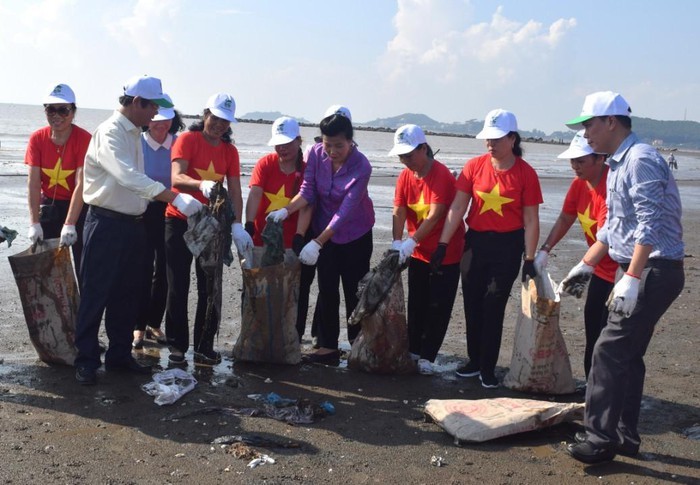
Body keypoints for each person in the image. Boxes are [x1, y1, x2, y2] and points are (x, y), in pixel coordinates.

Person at [561, 91, 685, 464]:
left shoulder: (641, 159)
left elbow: (650, 223)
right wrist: (585, 264)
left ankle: (599, 440)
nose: (586, 134)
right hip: (638, 266)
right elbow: (613, 228)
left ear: (611, 121)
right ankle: (624, 436)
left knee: (608, 349)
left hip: (654, 269)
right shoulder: (618, 163)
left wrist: (631, 277)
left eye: (589, 125)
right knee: (627, 354)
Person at [74, 75, 203, 386]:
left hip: (133, 224)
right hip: (105, 222)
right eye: (152, 108)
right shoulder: (110, 132)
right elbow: (127, 177)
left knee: (126, 294)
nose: (155, 115)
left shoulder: (134, 132)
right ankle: (86, 359)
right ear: (136, 102)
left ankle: (119, 355)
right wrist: (174, 195)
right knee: (96, 292)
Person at [432, 109, 542, 388]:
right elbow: (458, 206)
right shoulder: (474, 166)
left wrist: (529, 259)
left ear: (512, 138)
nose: (490, 144)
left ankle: (488, 365)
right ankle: (473, 360)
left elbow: (530, 219)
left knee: (493, 303)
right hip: (476, 243)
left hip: (508, 245)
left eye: (496, 138)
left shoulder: (526, 173)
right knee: (471, 302)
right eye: (487, 139)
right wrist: (443, 243)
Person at [267, 105, 374, 364]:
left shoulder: (362, 166)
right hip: (323, 229)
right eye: (328, 145)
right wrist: (286, 210)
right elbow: (308, 190)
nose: (333, 151)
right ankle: (327, 347)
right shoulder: (316, 154)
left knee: (354, 291)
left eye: (339, 145)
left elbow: (346, 211)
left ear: (350, 141)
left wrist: (317, 242)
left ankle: (359, 346)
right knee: (327, 287)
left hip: (355, 233)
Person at [164, 92, 253, 367]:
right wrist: (200, 185)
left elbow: (236, 191)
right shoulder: (187, 140)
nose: (218, 124)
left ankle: (204, 346)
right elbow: (176, 177)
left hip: (214, 225)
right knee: (178, 285)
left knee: (209, 287)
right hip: (180, 219)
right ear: (205, 115)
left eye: (225, 121)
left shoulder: (230, 151)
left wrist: (237, 224)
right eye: (215, 118)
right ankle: (177, 347)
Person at [534, 131, 617, 380]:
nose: (575, 166)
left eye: (580, 160)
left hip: (622, 273)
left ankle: (608, 390)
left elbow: (608, 235)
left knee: (610, 337)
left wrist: (583, 266)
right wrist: (545, 249)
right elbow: (565, 217)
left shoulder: (611, 186)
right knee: (592, 330)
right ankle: (592, 387)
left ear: (599, 158)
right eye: (572, 160)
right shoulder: (578, 184)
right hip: (600, 271)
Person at [390, 124, 464, 376]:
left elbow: (436, 215)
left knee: (438, 305)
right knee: (417, 301)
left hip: (446, 251)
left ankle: (428, 355)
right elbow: (399, 209)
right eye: (401, 156)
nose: (405, 161)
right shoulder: (404, 177)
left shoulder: (441, 174)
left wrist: (412, 241)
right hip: (419, 252)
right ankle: (413, 349)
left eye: (409, 155)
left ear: (423, 149)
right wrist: (397, 241)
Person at [245, 116, 317, 341]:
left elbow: (307, 204)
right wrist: (248, 224)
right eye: (278, 143)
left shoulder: (307, 170)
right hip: (261, 240)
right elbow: (255, 193)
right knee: (259, 292)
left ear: (298, 141)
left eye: (287, 143)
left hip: (290, 243)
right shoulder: (265, 164)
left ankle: (288, 339)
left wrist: (299, 236)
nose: (282, 148)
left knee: (290, 295)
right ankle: (257, 338)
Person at [132, 95, 185, 349]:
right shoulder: (137, 143)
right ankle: (138, 327)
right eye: (156, 121)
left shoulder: (178, 144)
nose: (160, 126)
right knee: (142, 267)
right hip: (143, 209)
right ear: (148, 120)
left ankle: (154, 322)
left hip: (172, 209)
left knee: (164, 269)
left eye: (166, 121)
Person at [25, 83, 91, 276]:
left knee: (83, 266)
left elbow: (81, 183)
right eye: (51, 109)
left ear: (73, 111)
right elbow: (34, 182)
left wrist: (70, 223)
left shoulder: (84, 138)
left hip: (78, 206)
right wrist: (34, 222)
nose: (57, 115)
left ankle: (84, 306)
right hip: (49, 206)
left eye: (63, 110)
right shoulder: (37, 138)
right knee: (49, 268)